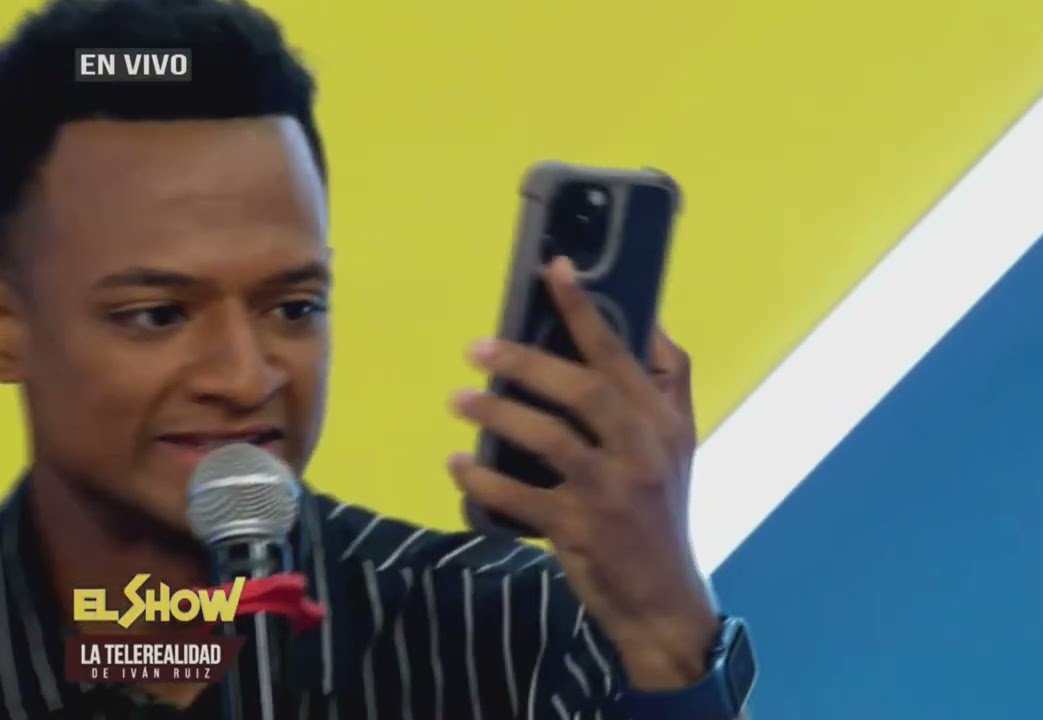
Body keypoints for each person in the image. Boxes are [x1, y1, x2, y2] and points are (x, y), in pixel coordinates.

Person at [0, 0, 757, 718]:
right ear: (9, 326)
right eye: (158, 316)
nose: (245, 378)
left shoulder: (519, 641)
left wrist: (666, 637)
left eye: (293, 308)